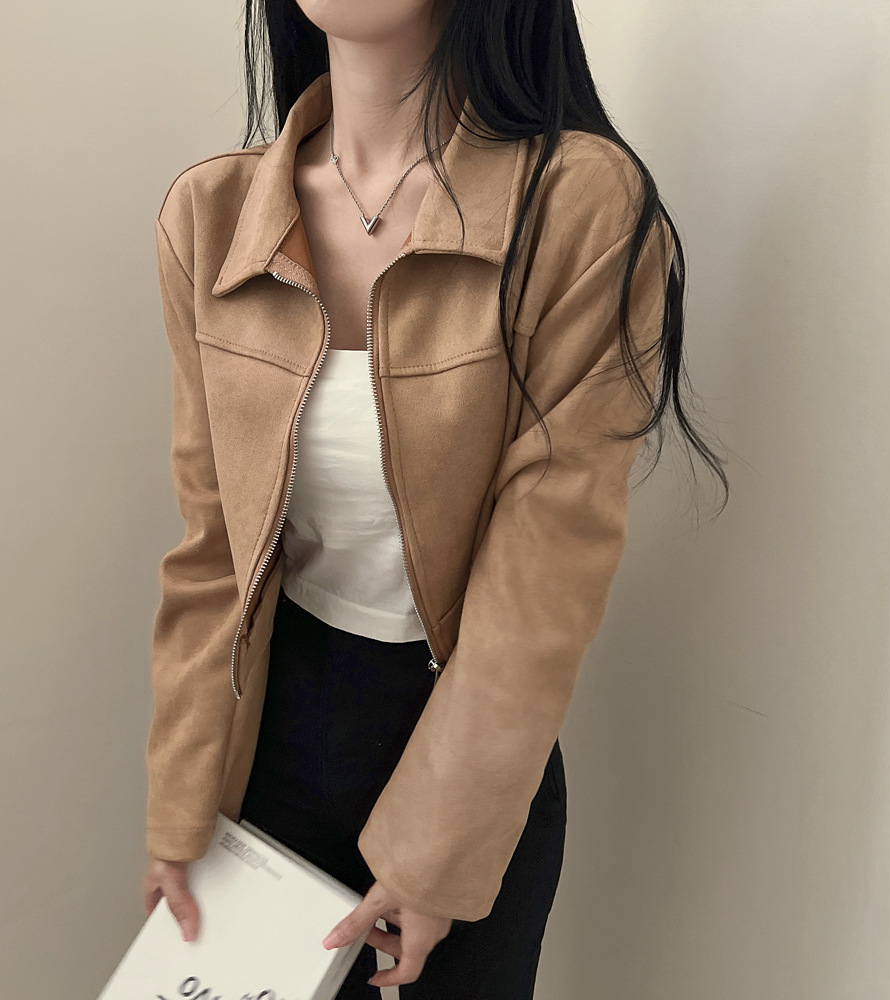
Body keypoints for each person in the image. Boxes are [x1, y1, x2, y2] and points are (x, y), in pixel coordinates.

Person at [140, 0, 728, 996]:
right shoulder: (211, 215)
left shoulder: (576, 204)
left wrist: (437, 849)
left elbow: (548, 566)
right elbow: (211, 553)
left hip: (467, 760)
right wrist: (179, 806)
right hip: (262, 753)